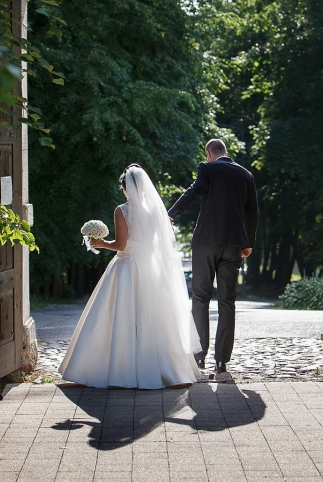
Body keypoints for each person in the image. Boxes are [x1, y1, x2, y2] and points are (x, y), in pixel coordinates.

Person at [59, 164, 201, 389]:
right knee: (155, 319)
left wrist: (101, 244)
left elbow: (121, 245)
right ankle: (170, 371)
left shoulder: (122, 210)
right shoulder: (155, 211)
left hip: (127, 268)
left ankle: (119, 371)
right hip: (150, 268)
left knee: (118, 317)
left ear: (125, 188)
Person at [168, 139, 258, 374]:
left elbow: (194, 192)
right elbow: (252, 212)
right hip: (233, 245)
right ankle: (221, 362)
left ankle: (199, 357)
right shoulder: (246, 175)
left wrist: (171, 214)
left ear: (209, 153)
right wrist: (248, 243)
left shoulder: (207, 168)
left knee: (200, 299)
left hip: (206, 243)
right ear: (225, 152)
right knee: (227, 303)